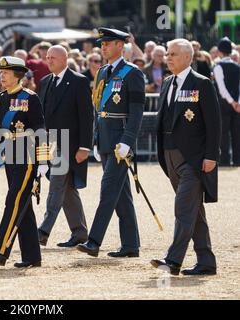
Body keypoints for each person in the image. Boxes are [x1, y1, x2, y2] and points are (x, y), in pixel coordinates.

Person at [151, 38, 221, 276]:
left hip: (194, 158)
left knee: (183, 208)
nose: (167, 58)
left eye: (173, 54)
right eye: (167, 54)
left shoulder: (201, 83)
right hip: (170, 155)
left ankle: (173, 260)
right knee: (194, 210)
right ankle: (206, 260)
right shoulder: (168, 82)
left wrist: (211, 155)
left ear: (187, 57)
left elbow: (214, 124)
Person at [77, 27, 145, 258]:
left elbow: (136, 113)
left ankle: (94, 241)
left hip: (120, 143)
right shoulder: (103, 72)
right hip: (105, 141)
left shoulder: (132, 73)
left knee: (108, 191)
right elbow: (99, 110)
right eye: (102, 44)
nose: (103, 47)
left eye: (107, 43)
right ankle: (130, 245)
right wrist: (95, 140)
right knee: (121, 195)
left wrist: (128, 141)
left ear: (120, 45)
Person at [0, 56, 48, 268]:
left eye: (6, 72)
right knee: (22, 206)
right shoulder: (0, 98)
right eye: (0, 72)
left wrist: (43, 160)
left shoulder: (30, 98)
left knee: (13, 201)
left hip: (28, 156)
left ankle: (1, 250)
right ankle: (32, 256)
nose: (1, 75)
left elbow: (41, 130)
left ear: (18, 75)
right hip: (10, 155)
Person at [37, 45, 93, 247]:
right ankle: (79, 232)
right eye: (47, 57)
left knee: (57, 185)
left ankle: (43, 231)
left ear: (64, 59)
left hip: (70, 144)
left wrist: (85, 146)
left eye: (53, 57)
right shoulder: (44, 82)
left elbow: (87, 117)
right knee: (67, 188)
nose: (49, 60)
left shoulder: (78, 81)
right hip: (50, 143)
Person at [212, 37, 240, 167]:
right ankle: (237, 160)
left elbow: (222, 89)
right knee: (237, 134)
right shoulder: (237, 66)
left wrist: (231, 102)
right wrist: (237, 102)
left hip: (223, 105)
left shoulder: (218, 67)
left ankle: (224, 160)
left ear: (219, 51)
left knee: (223, 133)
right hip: (237, 105)